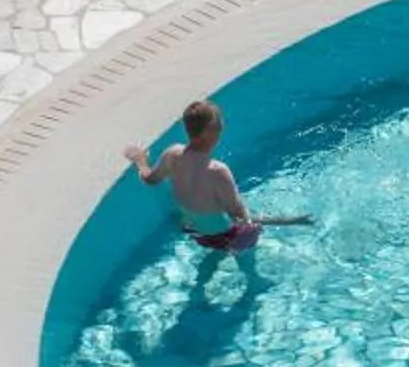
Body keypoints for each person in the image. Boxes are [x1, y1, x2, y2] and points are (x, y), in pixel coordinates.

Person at [125, 99, 313, 253]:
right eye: (220, 124)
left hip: (194, 232)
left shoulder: (172, 154)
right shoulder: (217, 171)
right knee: (250, 233)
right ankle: (253, 281)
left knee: (210, 260)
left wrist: (140, 160)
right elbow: (239, 216)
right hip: (225, 238)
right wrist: (286, 221)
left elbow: (149, 179)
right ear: (210, 132)